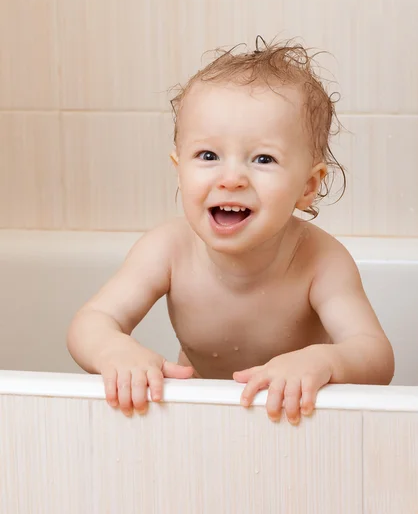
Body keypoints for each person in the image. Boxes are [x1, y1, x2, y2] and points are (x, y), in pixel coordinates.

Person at [67, 37, 394, 425]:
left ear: (307, 186)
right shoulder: (167, 249)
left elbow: (376, 355)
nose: (232, 178)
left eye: (263, 158)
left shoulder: (320, 261)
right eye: (208, 156)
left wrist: (324, 360)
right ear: (179, 168)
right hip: (200, 416)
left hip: (294, 418)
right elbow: (92, 321)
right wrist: (113, 351)